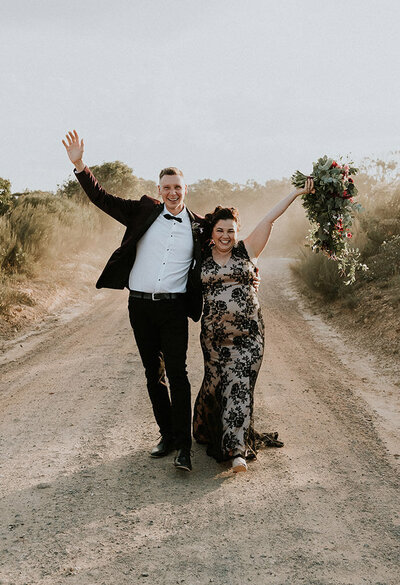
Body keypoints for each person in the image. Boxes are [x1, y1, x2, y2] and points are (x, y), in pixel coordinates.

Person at [62, 130, 207, 472]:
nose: (172, 192)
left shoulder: (200, 227)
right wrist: (80, 164)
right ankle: (167, 435)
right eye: (167, 187)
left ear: (186, 190)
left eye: (178, 187)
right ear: (159, 190)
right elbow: (103, 199)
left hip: (173, 309)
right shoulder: (144, 211)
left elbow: (230, 242)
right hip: (139, 307)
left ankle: (184, 448)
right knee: (152, 374)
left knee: (179, 375)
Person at [193, 178, 315, 472]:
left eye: (231, 231)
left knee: (239, 387)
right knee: (215, 388)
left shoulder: (247, 250)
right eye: (220, 230)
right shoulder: (199, 259)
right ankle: (204, 428)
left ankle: (237, 451)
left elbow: (271, 217)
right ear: (212, 232)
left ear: (237, 232)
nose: (225, 236)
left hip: (249, 337)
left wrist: (296, 193)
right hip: (214, 341)